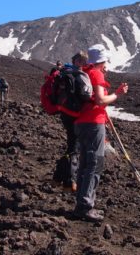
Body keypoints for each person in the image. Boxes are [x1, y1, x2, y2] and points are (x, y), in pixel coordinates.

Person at [73, 44, 128, 222]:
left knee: (85, 163)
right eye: (105, 62)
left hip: (81, 122)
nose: (106, 66)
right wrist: (118, 94)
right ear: (101, 61)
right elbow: (101, 99)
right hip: (93, 123)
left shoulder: (85, 73)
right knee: (94, 164)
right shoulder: (96, 73)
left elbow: (95, 101)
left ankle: (81, 203)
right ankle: (85, 206)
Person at [52, 51, 89, 192]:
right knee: (75, 147)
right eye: (81, 61)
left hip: (65, 112)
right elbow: (85, 96)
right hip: (73, 114)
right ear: (75, 61)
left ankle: (57, 177)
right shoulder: (76, 76)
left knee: (71, 145)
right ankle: (69, 182)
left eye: (84, 61)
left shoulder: (65, 73)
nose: (83, 64)